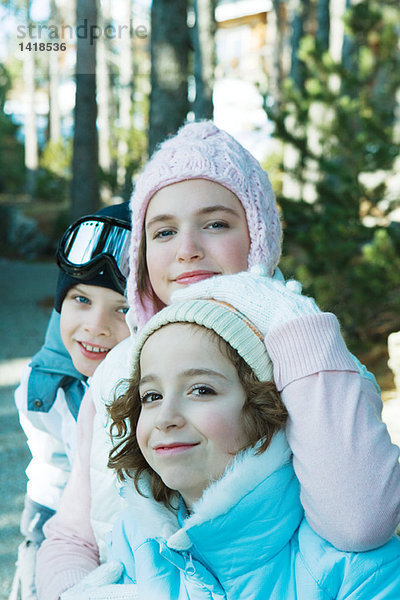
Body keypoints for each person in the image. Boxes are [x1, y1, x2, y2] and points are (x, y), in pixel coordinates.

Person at [36, 121, 400, 599]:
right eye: (163, 231)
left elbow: (361, 524)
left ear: (259, 234)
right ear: (143, 255)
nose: (187, 250)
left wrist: (287, 314)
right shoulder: (115, 372)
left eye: (215, 224)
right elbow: (73, 534)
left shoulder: (310, 355)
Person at [64, 289, 400, 599]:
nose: (166, 417)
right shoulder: (135, 536)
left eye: (201, 390)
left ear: (262, 408)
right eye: (151, 396)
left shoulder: (355, 568)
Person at [12, 203, 131, 600]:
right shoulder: (44, 383)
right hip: (58, 524)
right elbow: (50, 463)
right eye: (81, 300)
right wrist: (36, 538)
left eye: (124, 309)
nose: (95, 325)